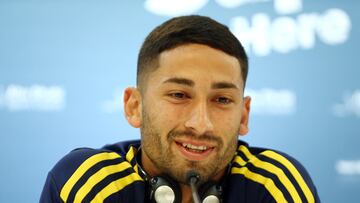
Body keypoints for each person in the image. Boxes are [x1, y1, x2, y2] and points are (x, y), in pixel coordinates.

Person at [40, 15, 320, 203]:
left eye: (222, 100)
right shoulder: (91, 183)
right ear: (134, 106)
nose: (201, 124)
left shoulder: (275, 185)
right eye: (179, 94)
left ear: (244, 115)